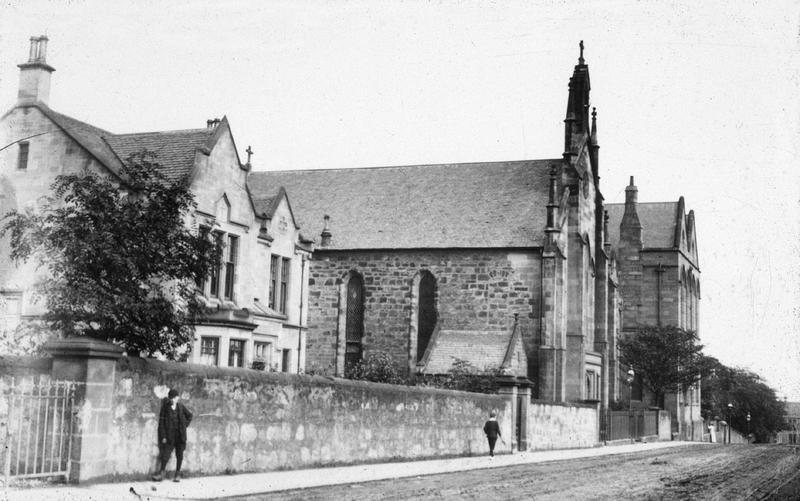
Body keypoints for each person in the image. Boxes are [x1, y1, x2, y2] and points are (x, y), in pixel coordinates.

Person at [152, 388, 193, 482]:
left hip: (180, 435)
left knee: (180, 454)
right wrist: (163, 436)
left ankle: (177, 474)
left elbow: (190, 416)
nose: (173, 400)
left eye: (174, 398)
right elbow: (161, 423)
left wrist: (184, 426)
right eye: (171, 398)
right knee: (165, 454)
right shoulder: (165, 408)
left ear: (177, 398)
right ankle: (161, 474)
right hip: (170, 436)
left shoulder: (181, 407)